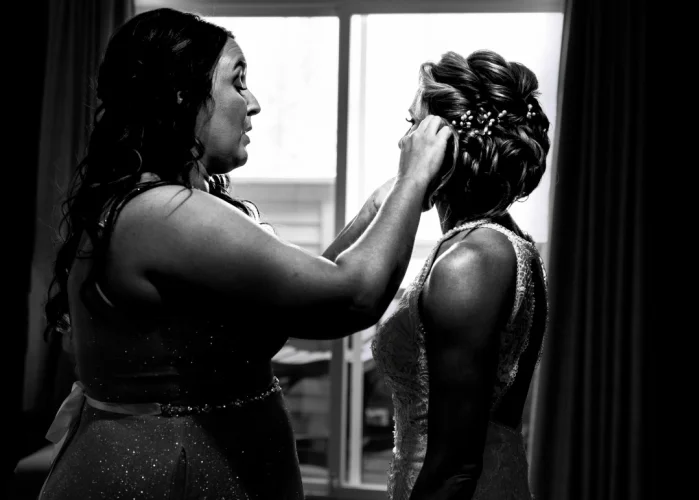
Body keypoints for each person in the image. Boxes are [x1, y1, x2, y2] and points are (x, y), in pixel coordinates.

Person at [38, 8, 450, 499]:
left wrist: (377, 209)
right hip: (172, 476)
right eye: (238, 82)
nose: (253, 103)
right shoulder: (164, 214)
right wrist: (413, 178)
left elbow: (292, 299)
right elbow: (350, 297)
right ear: (181, 95)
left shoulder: (160, 206)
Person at [370, 50, 551, 499]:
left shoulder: (472, 260)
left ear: (446, 144)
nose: (403, 144)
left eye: (414, 126)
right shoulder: (492, 241)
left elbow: (454, 468)